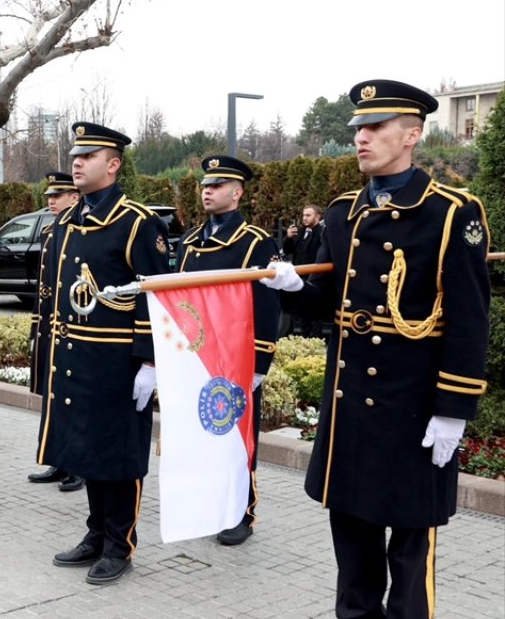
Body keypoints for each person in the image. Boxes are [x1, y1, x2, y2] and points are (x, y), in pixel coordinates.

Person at [262, 79, 489, 619]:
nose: (361, 138)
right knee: (354, 553)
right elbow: (332, 304)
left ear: (412, 134)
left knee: (411, 560)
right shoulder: (342, 214)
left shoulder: (452, 213)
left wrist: (453, 411)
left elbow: (469, 321)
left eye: (375, 127)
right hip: (353, 415)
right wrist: (298, 287)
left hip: (413, 412)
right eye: (358, 129)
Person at [41, 122, 169, 585]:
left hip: (119, 362)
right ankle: (96, 531)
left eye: (88, 156)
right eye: (76, 155)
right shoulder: (68, 220)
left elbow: (156, 296)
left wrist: (150, 362)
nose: (77, 162)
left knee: (119, 454)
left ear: (113, 165)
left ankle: (121, 542)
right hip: (79, 357)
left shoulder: (136, 222)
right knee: (89, 450)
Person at [177, 155, 280, 546]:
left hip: (236, 356)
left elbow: (267, 304)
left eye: (217, 186)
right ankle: (208, 505)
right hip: (198, 355)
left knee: (238, 437)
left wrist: (260, 361)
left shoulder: (254, 242)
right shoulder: (189, 243)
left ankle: (241, 512)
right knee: (202, 434)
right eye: (205, 185)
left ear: (237, 193)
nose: (207, 190)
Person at [27, 172, 85, 493]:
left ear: (74, 198)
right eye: (50, 195)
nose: (51, 200)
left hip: (74, 328)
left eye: (58, 195)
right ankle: (59, 460)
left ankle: (78, 465)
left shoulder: (80, 230)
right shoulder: (52, 231)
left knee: (73, 398)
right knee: (55, 397)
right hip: (52, 325)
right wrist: (39, 326)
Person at [291, 205, 326, 337]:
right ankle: (304, 339)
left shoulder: (322, 232)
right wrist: (289, 238)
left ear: (317, 216)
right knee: (302, 310)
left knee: (315, 312)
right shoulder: (300, 232)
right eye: (303, 215)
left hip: (314, 276)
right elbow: (290, 250)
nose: (304, 218)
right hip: (299, 276)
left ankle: (315, 340)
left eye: (308, 215)